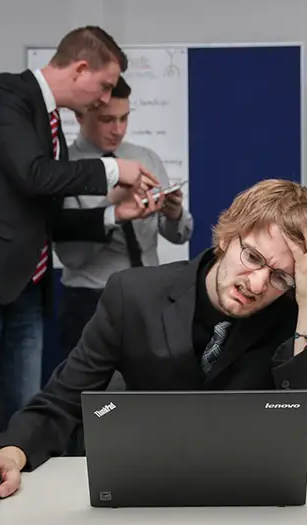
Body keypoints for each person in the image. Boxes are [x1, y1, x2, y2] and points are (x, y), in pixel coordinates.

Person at [0, 179, 307, 504]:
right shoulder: (133, 295)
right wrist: (8, 454)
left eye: (282, 278)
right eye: (254, 258)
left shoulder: (298, 311)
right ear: (228, 237)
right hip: (138, 492)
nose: (258, 284)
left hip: (239, 499)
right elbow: (63, 399)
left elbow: (306, 442)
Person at [0, 26, 161, 459]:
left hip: (25, 292)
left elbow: (48, 214)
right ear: (81, 69)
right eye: (103, 86)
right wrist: (117, 170)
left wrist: (115, 214)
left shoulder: (50, 128)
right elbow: (33, 176)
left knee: (15, 434)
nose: (105, 99)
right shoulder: (3, 95)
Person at [51, 76, 194, 390]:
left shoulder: (145, 158)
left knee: (156, 399)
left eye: (124, 118)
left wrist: (173, 214)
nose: (117, 129)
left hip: (153, 299)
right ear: (80, 116)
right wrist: (110, 207)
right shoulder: (64, 169)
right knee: (85, 405)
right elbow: (72, 258)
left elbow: (180, 235)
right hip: (90, 301)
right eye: (106, 120)